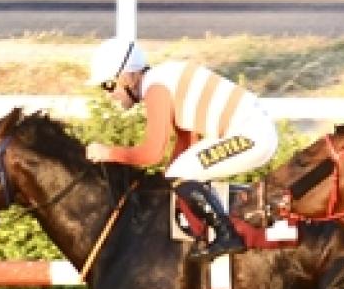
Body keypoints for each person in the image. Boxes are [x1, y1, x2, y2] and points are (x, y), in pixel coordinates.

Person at [85, 37, 280, 261]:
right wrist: (165, 183)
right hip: (254, 131)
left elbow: (151, 153)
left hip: (252, 134)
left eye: (109, 85)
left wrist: (108, 153)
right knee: (179, 171)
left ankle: (227, 234)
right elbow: (187, 142)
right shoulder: (162, 78)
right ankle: (211, 232)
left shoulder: (156, 88)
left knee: (181, 172)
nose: (109, 95)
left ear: (128, 76)